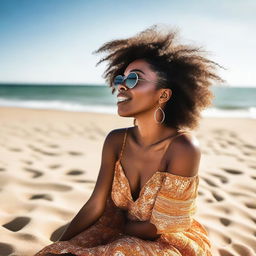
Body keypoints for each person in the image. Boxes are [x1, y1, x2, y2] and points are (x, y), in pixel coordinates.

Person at [34, 24, 223, 256]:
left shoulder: (183, 147)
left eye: (134, 78)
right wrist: (60, 245)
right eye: (121, 78)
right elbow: (96, 204)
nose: (122, 84)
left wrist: (119, 227)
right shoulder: (116, 140)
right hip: (115, 229)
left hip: (167, 242)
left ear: (163, 95)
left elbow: (159, 227)